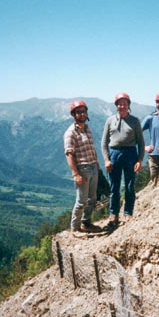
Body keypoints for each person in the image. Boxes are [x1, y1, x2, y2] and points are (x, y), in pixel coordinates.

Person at [101, 92, 145, 226]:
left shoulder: (135, 121)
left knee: (130, 186)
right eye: (119, 104)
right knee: (114, 187)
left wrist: (139, 160)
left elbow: (141, 143)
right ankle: (113, 214)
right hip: (114, 153)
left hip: (130, 153)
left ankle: (128, 213)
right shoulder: (110, 120)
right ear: (116, 106)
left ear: (128, 105)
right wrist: (106, 159)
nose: (122, 106)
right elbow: (104, 142)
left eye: (124, 104)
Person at [63, 100, 101, 237]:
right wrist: (75, 174)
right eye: (79, 112)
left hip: (93, 166)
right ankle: (75, 228)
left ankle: (86, 223)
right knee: (81, 201)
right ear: (74, 114)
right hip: (83, 169)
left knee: (92, 198)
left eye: (84, 111)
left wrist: (97, 163)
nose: (82, 114)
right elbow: (69, 154)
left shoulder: (87, 129)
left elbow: (92, 148)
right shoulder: (71, 132)